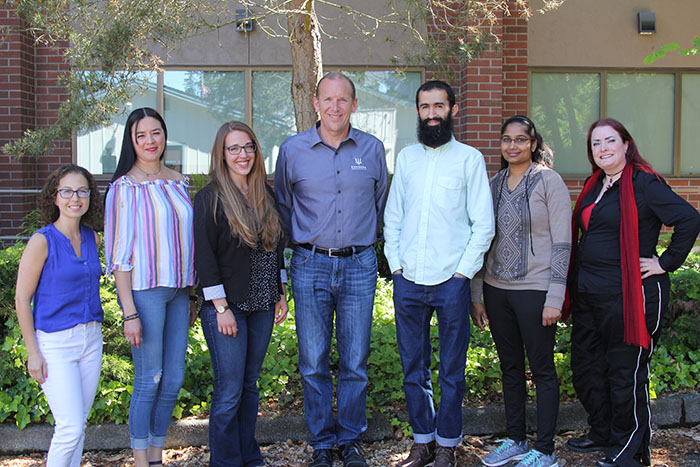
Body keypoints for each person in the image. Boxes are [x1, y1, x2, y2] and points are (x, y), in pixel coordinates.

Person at [564, 118, 700, 467]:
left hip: (630, 296)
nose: (603, 148)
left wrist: (665, 262)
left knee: (625, 373)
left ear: (626, 144)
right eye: (596, 143)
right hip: (589, 294)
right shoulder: (595, 184)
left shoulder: (644, 183)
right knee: (588, 367)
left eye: (611, 141)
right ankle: (603, 430)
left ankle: (630, 448)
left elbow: (689, 218)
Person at [275, 71, 389, 467]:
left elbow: (381, 204)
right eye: (328, 99)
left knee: (355, 359)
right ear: (316, 104)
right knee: (313, 360)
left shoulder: (373, 149)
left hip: (359, 263)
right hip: (310, 264)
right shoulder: (292, 150)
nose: (335, 107)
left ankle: (351, 439)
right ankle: (323, 442)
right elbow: (283, 207)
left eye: (344, 100)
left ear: (354, 105)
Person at [384, 80, 495, 467]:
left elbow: (484, 224)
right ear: (417, 111)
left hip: (452, 283)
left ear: (453, 109)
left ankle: (447, 444)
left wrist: (463, 275)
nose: (432, 113)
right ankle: (422, 441)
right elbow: (393, 218)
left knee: (451, 371)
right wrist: (396, 267)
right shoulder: (407, 158)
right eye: (424, 106)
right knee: (413, 370)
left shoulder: (469, 159)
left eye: (439, 106)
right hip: (409, 281)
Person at [471, 116, 571, 467]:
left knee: (542, 370)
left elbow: (562, 243)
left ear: (533, 143)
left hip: (536, 291)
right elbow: (482, 240)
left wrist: (555, 297)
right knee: (510, 368)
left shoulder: (549, 182)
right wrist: (477, 293)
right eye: (506, 139)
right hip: (498, 291)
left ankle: (545, 451)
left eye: (520, 139)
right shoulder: (494, 183)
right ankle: (515, 439)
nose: (512, 146)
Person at [104, 107, 196, 467]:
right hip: (145, 294)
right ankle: (141, 460)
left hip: (178, 293)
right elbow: (120, 257)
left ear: (164, 135)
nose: (149, 141)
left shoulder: (179, 180)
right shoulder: (124, 188)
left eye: (155, 133)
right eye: (140, 135)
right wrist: (129, 312)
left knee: (173, 378)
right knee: (149, 379)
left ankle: (157, 456)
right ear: (131, 141)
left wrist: (190, 296)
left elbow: (189, 243)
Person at [194, 121, 289, 466]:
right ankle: (226, 461)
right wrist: (220, 307)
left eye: (248, 147)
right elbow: (204, 256)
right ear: (222, 154)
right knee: (230, 390)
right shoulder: (209, 198)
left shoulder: (266, 193)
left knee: (249, 386)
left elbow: (276, 248)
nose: (242, 154)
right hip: (228, 307)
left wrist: (280, 290)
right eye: (233, 148)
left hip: (264, 303)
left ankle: (249, 456)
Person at [15, 164, 104, 467]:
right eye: (66, 191)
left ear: (90, 197)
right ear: (54, 197)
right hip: (55, 345)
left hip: (91, 340)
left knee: (77, 425)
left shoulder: (94, 238)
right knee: (69, 428)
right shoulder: (42, 241)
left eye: (82, 191)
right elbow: (22, 298)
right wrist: (33, 352)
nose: (74, 198)